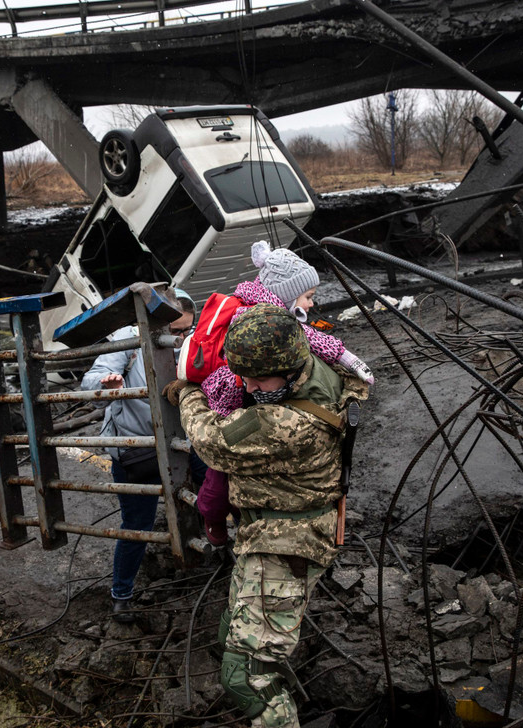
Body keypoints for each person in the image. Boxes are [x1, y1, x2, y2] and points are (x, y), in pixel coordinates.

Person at [170, 305, 369, 728]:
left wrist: (189, 391)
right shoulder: (317, 368)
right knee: (233, 634)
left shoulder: (289, 422)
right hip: (270, 535)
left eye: (261, 380)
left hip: (285, 545)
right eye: (246, 377)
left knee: (246, 676)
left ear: (291, 368)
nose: (251, 387)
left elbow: (212, 441)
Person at [196, 240, 373, 546]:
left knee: (228, 468)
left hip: (251, 401)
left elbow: (309, 337)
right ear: (287, 296)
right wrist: (346, 357)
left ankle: (228, 519)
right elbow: (308, 338)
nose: (312, 304)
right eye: (308, 297)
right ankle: (215, 521)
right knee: (220, 468)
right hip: (236, 401)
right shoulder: (263, 323)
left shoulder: (273, 318)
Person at [80, 288, 205, 623]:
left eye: (186, 331)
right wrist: (106, 385)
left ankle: (217, 547)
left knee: (214, 487)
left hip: (183, 442)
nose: (179, 339)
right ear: (153, 325)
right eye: (174, 332)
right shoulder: (128, 340)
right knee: (138, 523)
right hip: (137, 448)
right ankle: (121, 595)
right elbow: (90, 382)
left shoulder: (192, 343)